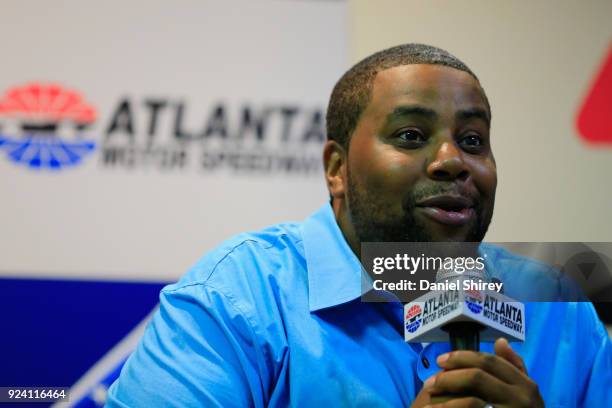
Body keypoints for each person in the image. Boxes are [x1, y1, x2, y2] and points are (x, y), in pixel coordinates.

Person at [107, 44, 611, 407]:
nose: (453, 161)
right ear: (336, 168)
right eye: (412, 135)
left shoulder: (559, 309)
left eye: (474, 140)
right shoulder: (236, 298)